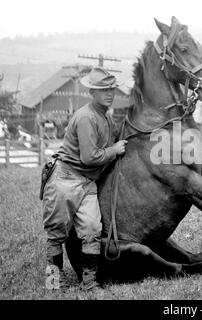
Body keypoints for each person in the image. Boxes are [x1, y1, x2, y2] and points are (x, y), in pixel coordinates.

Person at [42, 67, 128, 291]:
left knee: (91, 229)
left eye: (111, 88)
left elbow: (109, 143)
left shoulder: (105, 118)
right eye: (103, 89)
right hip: (65, 178)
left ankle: (88, 284)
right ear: (92, 92)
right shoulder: (86, 117)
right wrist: (115, 150)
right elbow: (90, 157)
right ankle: (53, 282)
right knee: (56, 234)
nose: (109, 93)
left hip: (87, 182)